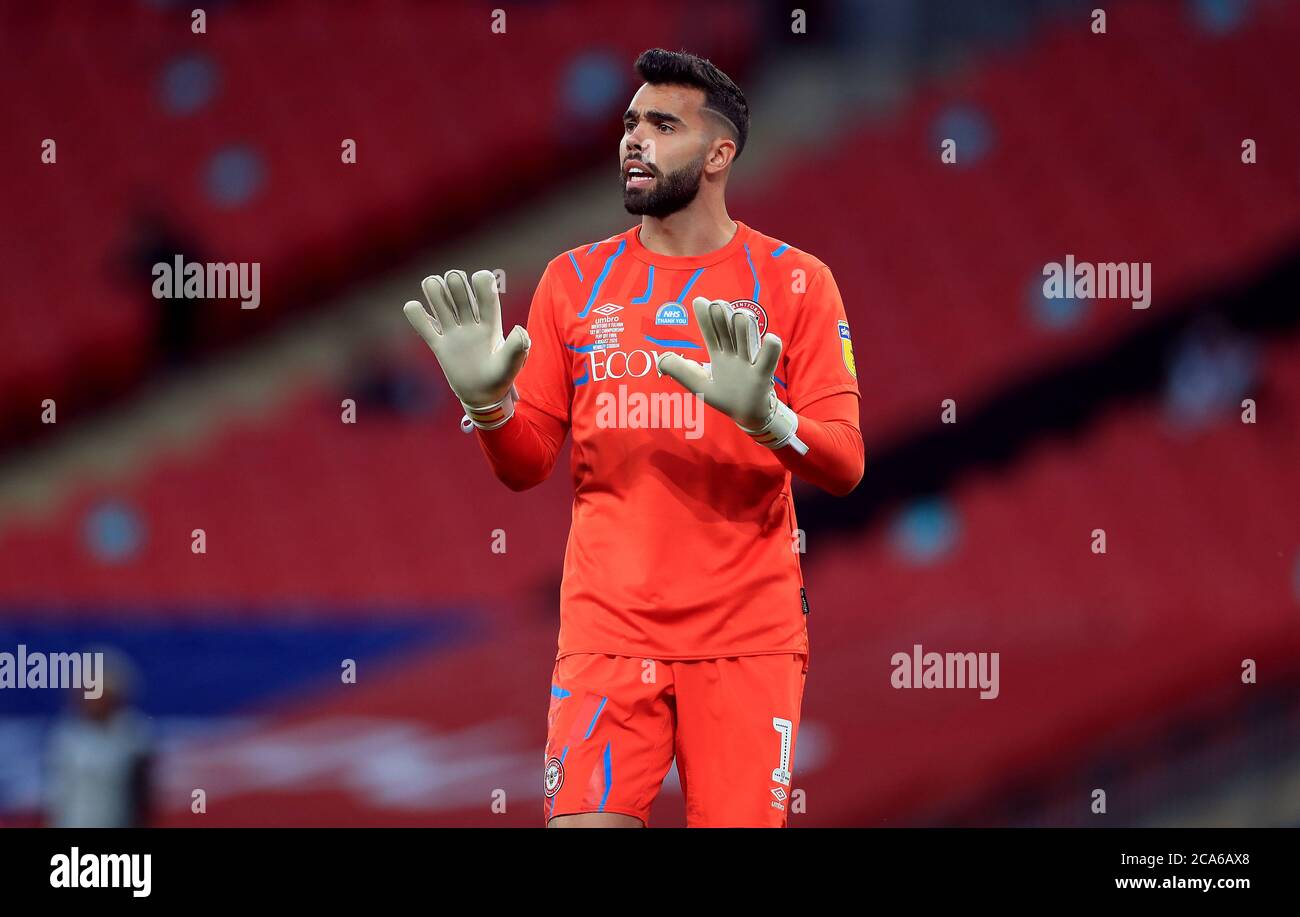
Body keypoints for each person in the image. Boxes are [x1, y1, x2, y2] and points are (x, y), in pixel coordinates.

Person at [404, 48, 863, 827]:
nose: (633, 140)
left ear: (720, 154)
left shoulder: (796, 282)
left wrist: (770, 421)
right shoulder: (572, 282)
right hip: (606, 633)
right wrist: (489, 407)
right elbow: (526, 466)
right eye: (628, 123)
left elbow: (846, 463)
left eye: (661, 124)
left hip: (746, 637)